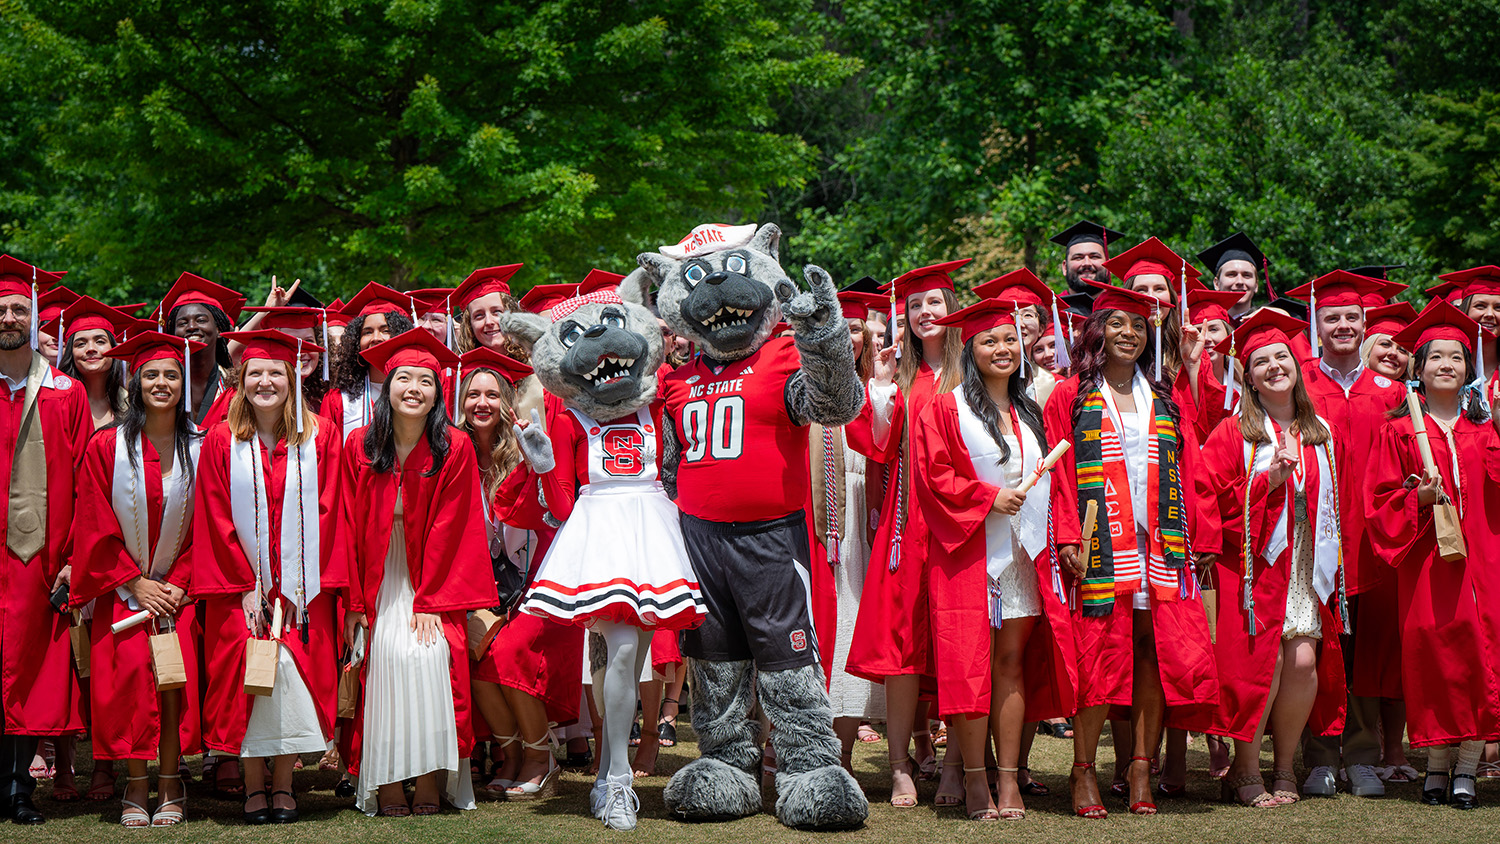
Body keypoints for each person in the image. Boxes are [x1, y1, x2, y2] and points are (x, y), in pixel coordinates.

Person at [513, 278, 706, 829]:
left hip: (654, 533)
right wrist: (545, 464)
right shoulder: (568, 412)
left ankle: (608, 775)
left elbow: (682, 463)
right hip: (598, 534)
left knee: (632, 655)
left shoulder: (661, 397)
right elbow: (560, 507)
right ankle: (616, 777)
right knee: (620, 653)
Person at [1044, 281, 1218, 820]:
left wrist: (1202, 538)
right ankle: (1083, 770)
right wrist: (1069, 536)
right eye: (1117, 324)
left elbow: (1192, 468)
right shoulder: (1068, 395)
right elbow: (1058, 475)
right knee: (1097, 655)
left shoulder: (1164, 395)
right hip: (1101, 543)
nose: (1128, 334)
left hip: (1161, 545)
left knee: (1152, 653)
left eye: (1139, 326)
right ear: (1096, 331)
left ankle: (1141, 765)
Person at [914, 299, 1075, 821]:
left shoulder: (1032, 410)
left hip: (1024, 557)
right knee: (968, 668)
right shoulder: (946, 407)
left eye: (1009, 339)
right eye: (989, 341)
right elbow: (932, 475)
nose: (1002, 349)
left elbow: (1057, 483)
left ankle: (1010, 783)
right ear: (971, 349)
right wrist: (986, 499)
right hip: (968, 556)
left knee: (1010, 665)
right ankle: (975, 782)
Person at [338, 329, 496, 817]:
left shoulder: (456, 448)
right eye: (403, 378)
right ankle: (386, 779)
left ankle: (429, 778)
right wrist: (355, 606)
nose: (413, 388)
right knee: (386, 656)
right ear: (386, 386)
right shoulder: (359, 446)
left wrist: (431, 601)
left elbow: (457, 527)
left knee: (429, 659)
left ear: (437, 392)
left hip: (431, 582)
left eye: (424, 381)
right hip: (377, 579)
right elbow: (345, 524)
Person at [1196, 310, 1349, 807]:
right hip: (1254, 570)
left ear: (1296, 367)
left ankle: (1284, 767)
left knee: (1304, 661)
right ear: (1250, 377)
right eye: (1261, 362)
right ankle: (1243, 771)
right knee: (1264, 666)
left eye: (1282, 356)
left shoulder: (1320, 430)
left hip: (1304, 567)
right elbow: (1208, 500)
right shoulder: (1234, 434)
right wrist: (1268, 482)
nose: (1274, 366)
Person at [190, 329, 342, 825]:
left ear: (292, 377)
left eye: (275, 372)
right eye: (255, 373)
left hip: (304, 589)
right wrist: (245, 588)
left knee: (292, 685)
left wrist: (300, 582)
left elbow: (330, 511)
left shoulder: (320, 437)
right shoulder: (220, 440)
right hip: (241, 591)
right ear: (241, 381)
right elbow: (215, 517)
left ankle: (283, 784)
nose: (266, 381)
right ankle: (254, 786)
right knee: (244, 683)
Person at [1366, 300, 1500, 810]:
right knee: (1436, 654)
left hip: (1485, 561)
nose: (1447, 364)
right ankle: (1436, 765)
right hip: (1429, 563)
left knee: (1481, 654)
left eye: (1457, 357)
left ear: (1470, 371)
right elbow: (1377, 504)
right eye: (1436, 357)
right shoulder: (1398, 430)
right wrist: (1416, 496)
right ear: (1417, 370)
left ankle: (1464, 770)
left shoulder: (1487, 432)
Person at [847, 259, 969, 808]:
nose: (924, 312)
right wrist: (877, 387)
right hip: (907, 524)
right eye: (915, 305)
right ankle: (898, 766)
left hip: (962, 525)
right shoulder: (898, 377)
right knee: (901, 648)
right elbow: (874, 445)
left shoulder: (972, 373)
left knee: (959, 645)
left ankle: (953, 766)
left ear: (954, 309)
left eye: (935, 302)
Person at [69, 331, 204, 827]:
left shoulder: (202, 446)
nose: (162, 383)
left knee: (172, 688)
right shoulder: (107, 447)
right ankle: (135, 784)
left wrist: (180, 583)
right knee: (127, 688)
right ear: (137, 382)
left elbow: (212, 523)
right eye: (151, 375)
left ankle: (170, 785)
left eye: (171, 374)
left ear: (183, 382)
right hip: (123, 595)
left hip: (175, 598)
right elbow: (93, 520)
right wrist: (132, 580)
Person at [1282, 270, 1405, 799]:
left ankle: (1360, 756)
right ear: (1318, 322)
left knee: (1362, 651)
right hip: (1317, 537)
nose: (1342, 326)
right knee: (1318, 645)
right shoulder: (1303, 382)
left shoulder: (1393, 391)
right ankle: (1319, 756)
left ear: (1365, 322)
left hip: (1372, 537)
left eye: (1351, 318)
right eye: (1331, 317)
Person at [453, 346, 583, 799]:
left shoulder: (529, 445)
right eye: (473, 395)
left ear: (507, 401)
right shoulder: (455, 453)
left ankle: (539, 757)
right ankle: (509, 756)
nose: (481, 403)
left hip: (537, 582)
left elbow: (559, 508)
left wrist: (540, 464)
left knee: (506, 654)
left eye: (492, 394)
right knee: (477, 663)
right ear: (460, 401)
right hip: (482, 588)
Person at [0, 255, 89, 825]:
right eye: (0, 310)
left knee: (33, 668)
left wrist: (77, 557)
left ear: (34, 319)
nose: (8, 317)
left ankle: (17, 790)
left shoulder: (63, 392)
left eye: (18, 309)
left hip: (39, 558)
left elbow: (86, 480)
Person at [45, 296, 137, 801]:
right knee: (71, 660)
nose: (91, 349)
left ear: (115, 349)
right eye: (80, 342)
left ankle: (106, 763)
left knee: (106, 660)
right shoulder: (58, 397)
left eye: (100, 340)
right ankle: (64, 762)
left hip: (123, 538)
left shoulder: (133, 406)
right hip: (69, 536)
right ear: (68, 350)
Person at [808, 291, 899, 773]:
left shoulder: (879, 385)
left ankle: (841, 753)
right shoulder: (803, 383)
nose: (850, 336)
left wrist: (883, 389)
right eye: (839, 326)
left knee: (852, 628)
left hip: (866, 520)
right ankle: (806, 745)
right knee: (826, 627)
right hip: (819, 522)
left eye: (857, 328)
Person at [319, 283, 416, 441]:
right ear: (356, 341)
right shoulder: (338, 400)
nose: (376, 338)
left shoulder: (421, 393)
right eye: (367, 332)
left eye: (386, 330)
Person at [155, 273, 246, 428]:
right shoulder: (161, 385)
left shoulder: (236, 386)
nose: (191, 327)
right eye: (182, 323)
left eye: (201, 320)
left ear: (218, 329)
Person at [1198, 233, 1269, 326]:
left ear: (1256, 285)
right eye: (1231, 275)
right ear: (1216, 283)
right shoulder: (1202, 327)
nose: (1240, 281)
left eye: (1247, 275)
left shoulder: (1266, 324)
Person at [1050, 221, 1125, 296]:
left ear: (1109, 266)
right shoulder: (1050, 306)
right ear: (1064, 267)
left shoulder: (1124, 306)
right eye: (1078, 258)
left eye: (1094, 257)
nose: (1087, 263)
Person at [1362, 303, 1417, 382]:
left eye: (1402, 350)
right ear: (1368, 350)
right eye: (1385, 344)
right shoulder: (1345, 391)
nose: (1393, 353)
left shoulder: (1411, 394)